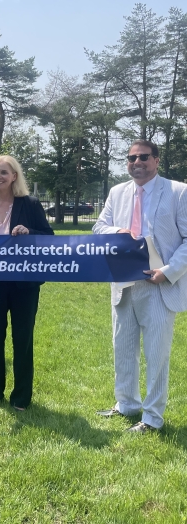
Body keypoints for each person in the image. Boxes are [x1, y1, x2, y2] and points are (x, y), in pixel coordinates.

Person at [93, 140, 187, 433]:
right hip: (123, 282)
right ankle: (127, 404)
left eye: (144, 157)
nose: (137, 162)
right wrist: (115, 231)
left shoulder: (178, 192)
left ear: (157, 160)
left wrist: (168, 271)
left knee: (156, 354)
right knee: (123, 347)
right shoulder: (116, 193)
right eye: (131, 158)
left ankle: (152, 418)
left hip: (158, 284)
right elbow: (98, 228)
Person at [0, 155, 53, 410]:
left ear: (14, 176)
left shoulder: (30, 204)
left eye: (4, 173)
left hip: (24, 283)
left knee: (22, 338)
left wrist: (30, 233)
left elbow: (49, 237)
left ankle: (21, 398)